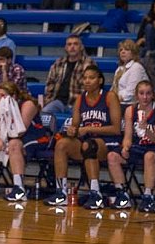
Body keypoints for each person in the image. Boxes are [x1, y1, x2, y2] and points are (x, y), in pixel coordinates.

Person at [44, 66, 122, 209]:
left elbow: (116, 129)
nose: (87, 81)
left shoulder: (110, 96)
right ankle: (61, 192)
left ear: (100, 80)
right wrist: (73, 130)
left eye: (91, 78)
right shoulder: (81, 98)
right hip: (86, 141)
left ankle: (95, 194)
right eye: (85, 78)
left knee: (89, 145)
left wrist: (88, 129)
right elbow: (75, 125)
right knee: (61, 144)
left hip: (108, 142)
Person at [107, 79, 155, 212]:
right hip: (137, 146)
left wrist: (146, 129)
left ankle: (148, 195)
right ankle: (122, 194)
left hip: (153, 146)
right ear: (136, 95)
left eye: (148, 93)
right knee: (112, 156)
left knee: (149, 157)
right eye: (141, 93)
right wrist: (125, 147)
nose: (145, 97)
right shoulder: (130, 110)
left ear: (153, 95)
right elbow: (128, 136)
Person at [0, 82, 52, 202]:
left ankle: (19, 188)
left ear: (14, 96)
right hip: (11, 138)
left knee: (13, 144)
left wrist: (4, 140)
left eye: (3, 96)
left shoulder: (28, 104)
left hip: (35, 138)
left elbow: (20, 131)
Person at [41, 35, 95, 115]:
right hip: (58, 102)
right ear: (65, 48)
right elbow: (50, 83)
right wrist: (48, 100)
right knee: (44, 113)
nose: (72, 47)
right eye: (69, 44)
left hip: (78, 104)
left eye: (75, 44)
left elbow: (92, 88)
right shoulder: (58, 63)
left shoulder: (89, 64)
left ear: (81, 47)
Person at [112, 39, 149, 106]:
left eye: (126, 49)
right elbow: (113, 88)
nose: (123, 52)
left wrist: (114, 98)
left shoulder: (136, 67)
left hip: (133, 104)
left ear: (133, 53)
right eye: (121, 50)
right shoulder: (119, 69)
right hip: (118, 102)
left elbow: (131, 93)